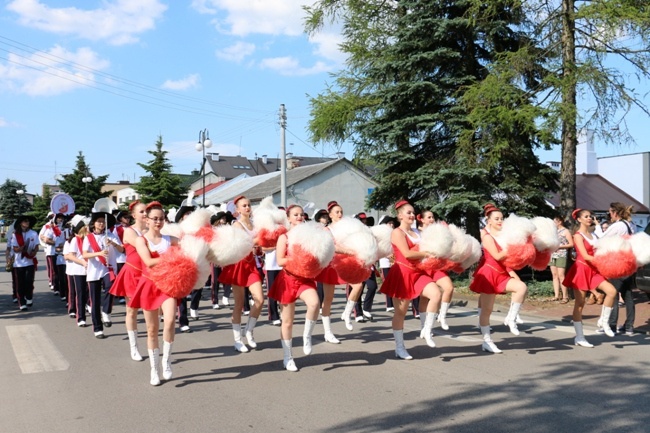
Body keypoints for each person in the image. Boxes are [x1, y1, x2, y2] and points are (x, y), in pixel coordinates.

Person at [379, 200, 444, 359]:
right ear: (399, 215)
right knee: (401, 313)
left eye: (413, 213)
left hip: (418, 272)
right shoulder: (397, 233)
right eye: (408, 212)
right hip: (402, 274)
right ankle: (399, 347)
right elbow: (407, 254)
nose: (412, 215)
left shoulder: (418, 232)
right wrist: (427, 253)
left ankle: (427, 330)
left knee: (436, 294)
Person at [129, 202, 180, 386]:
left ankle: (166, 361)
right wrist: (172, 257)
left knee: (170, 321)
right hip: (149, 285)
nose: (158, 222)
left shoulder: (170, 239)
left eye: (161, 218)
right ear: (147, 220)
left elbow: (190, 248)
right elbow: (149, 262)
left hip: (167, 284)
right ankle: (154, 369)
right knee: (151, 331)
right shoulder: (141, 240)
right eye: (154, 218)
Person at [469, 203, 528, 354]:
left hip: (502, 274)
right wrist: (512, 247)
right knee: (487, 311)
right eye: (496, 219)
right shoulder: (487, 237)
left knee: (521, 287)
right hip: (489, 274)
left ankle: (511, 318)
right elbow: (496, 256)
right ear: (488, 221)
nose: (500, 221)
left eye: (502, 218)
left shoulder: (505, 235)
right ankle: (487, 341)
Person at [268, 204, 321, 371]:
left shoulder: (309, 237)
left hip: (304, 280)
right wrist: (298, 259)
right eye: (295, 214)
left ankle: (307, 336)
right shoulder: (284, 237)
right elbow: (280, 260)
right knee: (288, 322)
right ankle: (288, 357)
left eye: (301, 214)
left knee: (314, 304)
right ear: (289, 218)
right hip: (288, 280)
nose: (299, 217)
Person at [563, 209, 618, 346]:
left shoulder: (594, 234)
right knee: (580, 304)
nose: (589, 218)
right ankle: (579, 337)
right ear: (579, 219)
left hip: (594, 270)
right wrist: (602, 261)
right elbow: (585, 256)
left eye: (590, 216)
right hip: (581, 269)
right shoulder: (578, 236)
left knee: (612, 292)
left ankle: (603, 322)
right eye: (586, 216)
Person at [219, 195, 265, 353]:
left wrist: (262, 247)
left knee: (260, 299)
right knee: (239, 304)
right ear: (237, 210)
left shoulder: (254, 225)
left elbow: (259, 246)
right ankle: (237, 340)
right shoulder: (237, 226)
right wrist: (256, 243)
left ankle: (249, 331)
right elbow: (241, 245)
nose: (247, 207)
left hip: (252, 265)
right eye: (244, 206)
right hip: (238, 266)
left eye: (249, 205)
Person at [109, 201, 148, 360]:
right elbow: (146, 246)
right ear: (134, 215)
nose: (145, 214)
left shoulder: (153, 230)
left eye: (147, 211)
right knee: (131, 311)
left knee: (151, 311)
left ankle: (152, 345)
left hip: (149, 274)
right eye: (142, 212)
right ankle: (134, 347)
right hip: (133, 273)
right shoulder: (129, 232)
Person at [595, 202, 636, 335]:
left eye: (610, 213)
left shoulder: (617, 225)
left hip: (617, 262)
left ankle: (612, 325)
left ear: (615, 213)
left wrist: (597, 228)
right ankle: (629, 326)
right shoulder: (632, 224)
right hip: (629, 262)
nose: (609, 215)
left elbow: (602, 239)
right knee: (628, 295)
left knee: (613, 294)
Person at [413, 210, 456, 335]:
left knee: (449, 288)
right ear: (422, 219)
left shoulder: (438, 232)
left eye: (433, 217)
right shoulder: (417, 233)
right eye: (429, 217)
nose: (432, 219)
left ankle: (442, 317)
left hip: (436, 267)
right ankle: (424, 326)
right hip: (422, 268)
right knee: (424, 298)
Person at [82, 212, 123, 339]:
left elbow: (122, 249)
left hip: (108, 268)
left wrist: (113, 243)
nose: (101, 223)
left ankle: (106, 311)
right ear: (93, 223)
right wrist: (98, 253)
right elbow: (85, 254)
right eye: (99, 221)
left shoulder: (110, 235)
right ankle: (98, 328)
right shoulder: (88, 238)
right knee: (94, 300)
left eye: (103, 221)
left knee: (110, 287)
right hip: (94, 270)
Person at [314, 200, 344, 343]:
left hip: (343, 264)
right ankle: (327, 332)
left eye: (341, 212)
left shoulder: (346, 228)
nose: (340, 214)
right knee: (328, 298)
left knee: (358, 285)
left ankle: (348, 313)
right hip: (329, 266)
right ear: (330, 215)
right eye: (337, 212)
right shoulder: (327, 230)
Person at [10, 215, 39, 311]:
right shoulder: (15, 235)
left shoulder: (34, 233)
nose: (27, 222)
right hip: (18, 263)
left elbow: (36, 246)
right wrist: (22, 247)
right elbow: (15, 249)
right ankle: (22, 302)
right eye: (25, 221)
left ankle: (29, 297)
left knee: (29, 281)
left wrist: (33, 252)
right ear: (21, 223)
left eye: (28, 221)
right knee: (20, 284)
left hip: (30, 262)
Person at [63, 216, 89, 326]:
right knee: (79, 293)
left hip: (89, 270)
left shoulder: (90, 239)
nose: (89, 229)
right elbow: (70, 256)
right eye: (87, 227)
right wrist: (83, 262)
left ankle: (89, 308)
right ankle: (80, 317)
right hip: (77, 270)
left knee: (88, 293)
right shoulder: (74, 240)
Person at [209, 211, 232, 309]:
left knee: (228, 278)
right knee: (215, 280)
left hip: (225, 255)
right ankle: (215, 301)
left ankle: (226, 296)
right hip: (215, 256)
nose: (224, 220)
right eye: (222, 218)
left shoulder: (228, 229)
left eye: (225, 218)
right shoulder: (213, 230)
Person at [549, 214, 573, 303]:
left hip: (561, 255)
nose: (553, 223)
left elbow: (571, 244)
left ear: (559, 221)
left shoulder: (565, 231)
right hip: (552, 255)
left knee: (561, 275)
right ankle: (556, 295)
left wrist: (560, 246)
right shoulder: (554, 232)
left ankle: (565, 296)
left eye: (555, 221)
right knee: (554, 275)